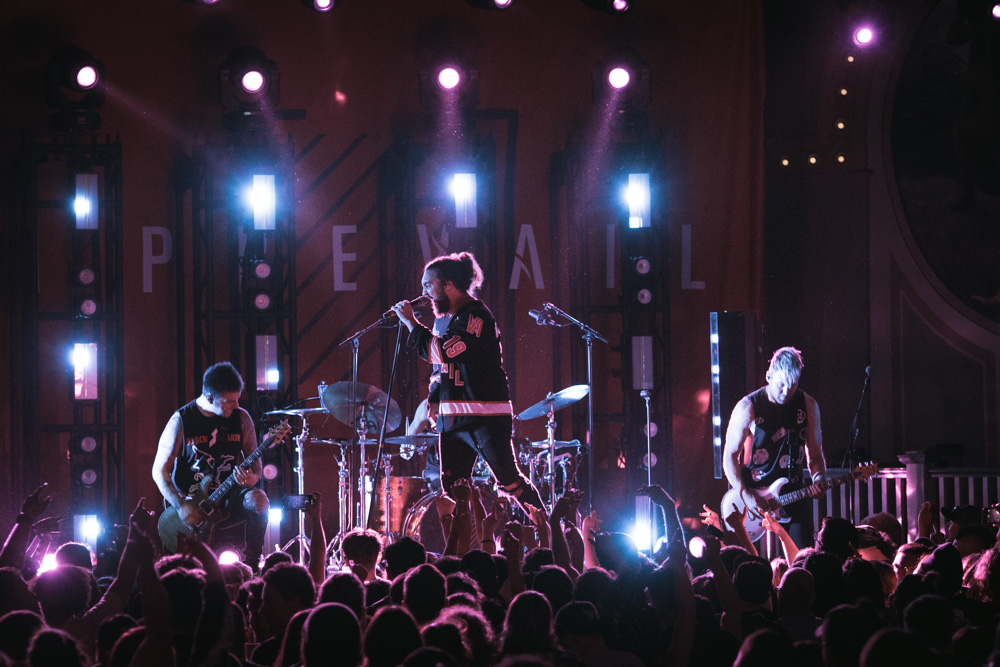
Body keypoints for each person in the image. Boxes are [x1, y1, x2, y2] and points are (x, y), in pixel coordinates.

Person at [391, 252, 544, 513]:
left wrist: (410, 323)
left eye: (429, 285)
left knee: (509, 481)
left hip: (484, 416)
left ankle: (548, 533)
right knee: (453, 487)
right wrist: (435, 397)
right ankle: (475, 542)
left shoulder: (475, 317)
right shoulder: (445, 320)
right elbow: (441, 369)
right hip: (453, 419)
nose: (424, 292)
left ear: (448, 285)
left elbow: (442, 352)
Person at [152, 361, 268, 566]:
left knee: (259, 500)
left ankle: (252, 566)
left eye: (237, 400)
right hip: (192, 501)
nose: (235, 406)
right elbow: (159, 471)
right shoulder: (181, 420)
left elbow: (257, 467)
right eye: (228, 401)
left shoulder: (241, 418)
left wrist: (252, 477)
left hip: (229, 495)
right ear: (209, 397)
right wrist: (181, 507)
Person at [722, 346, 826, 546]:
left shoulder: (809, 405)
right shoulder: (747, 407)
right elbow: (729, 457)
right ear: (769, 376)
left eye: (793, 385)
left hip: (792, 494)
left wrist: (819, 477)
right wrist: (745, 494)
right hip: (754, 499)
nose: (786, 392)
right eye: (781, 385)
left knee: (802, 560)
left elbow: (814, 454)